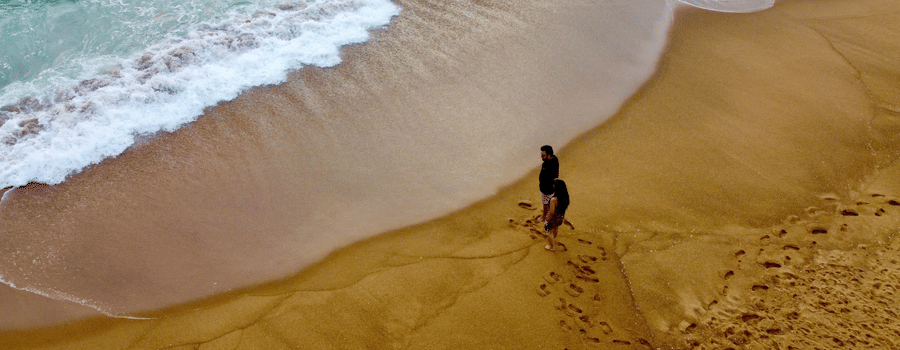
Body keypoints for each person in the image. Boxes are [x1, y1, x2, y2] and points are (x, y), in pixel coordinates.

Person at [544, 179, 569, 252]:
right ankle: (554, 238)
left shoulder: (554, 200)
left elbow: (551, 212)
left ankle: (552, 247)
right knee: (556, 228)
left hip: (553, 218)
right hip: (561, 216)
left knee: (548, 231)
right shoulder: (565, 198)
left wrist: (546, 220)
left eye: (554, 185)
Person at [539, 145, 559, 223]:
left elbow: (551, 177)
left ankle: (544, 217)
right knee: (549, 203)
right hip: (550, 187)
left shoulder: (549, 164)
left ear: (549, 155)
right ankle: (549, 215)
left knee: (545, 203)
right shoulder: (554, 159)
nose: (541, 157)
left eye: (543, 155)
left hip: (547, 188)